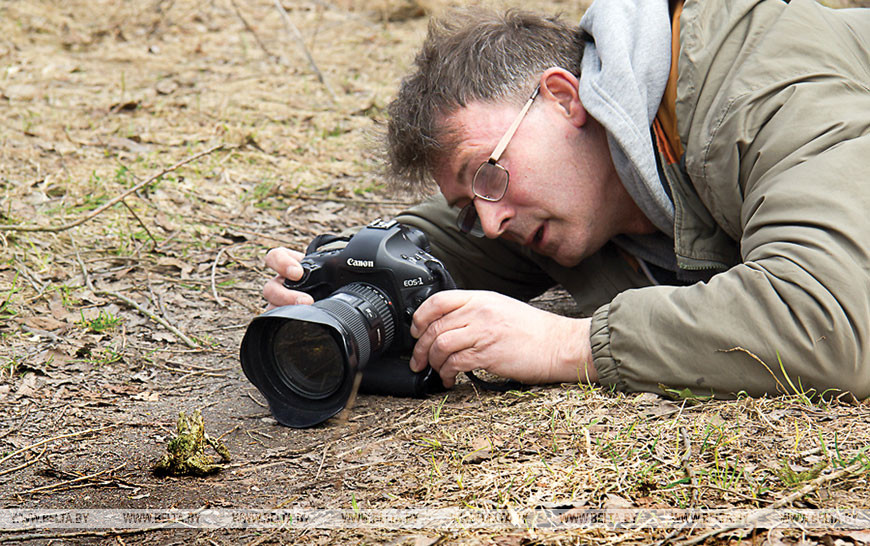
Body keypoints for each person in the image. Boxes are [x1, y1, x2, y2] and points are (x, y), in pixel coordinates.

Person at [264, 0, 870, 399]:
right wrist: (343, 273)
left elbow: (833, 322)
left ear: (562, 99)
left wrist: (565, 343)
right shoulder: (582, 189)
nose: (493, 223)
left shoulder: (759, 84)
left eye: (487, 175)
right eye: (470, 205)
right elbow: (450, 242)